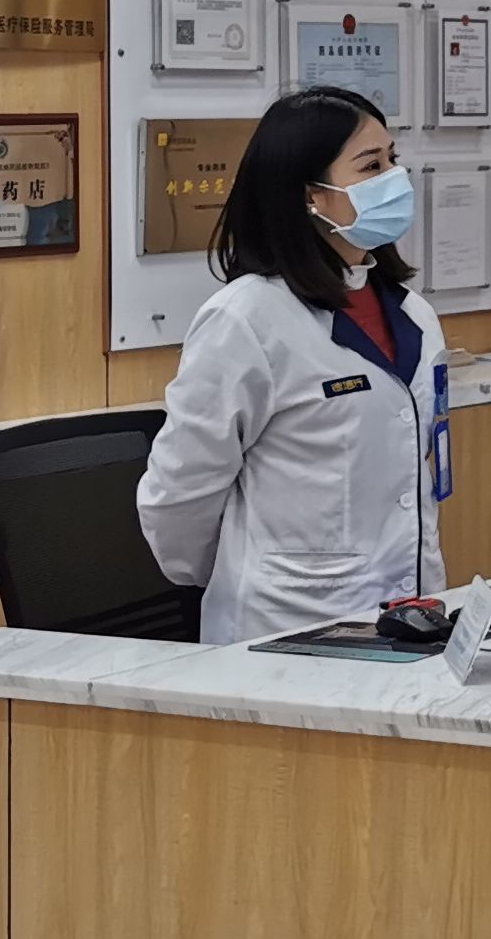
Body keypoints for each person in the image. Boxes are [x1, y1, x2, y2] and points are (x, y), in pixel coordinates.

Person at [138, 85, 448, 641]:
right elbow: (179, 496)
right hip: (285, 627)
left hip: (409, 613)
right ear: (312, 196)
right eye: (371, 166)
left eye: (392, 159)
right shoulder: (246, 319)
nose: (395, 179)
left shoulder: (414, 315)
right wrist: (243, 568)